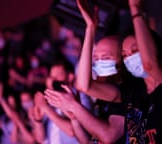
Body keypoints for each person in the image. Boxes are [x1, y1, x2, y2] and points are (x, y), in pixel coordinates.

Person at [44, 0, 126, 143]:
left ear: (122, 59)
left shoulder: (122, 90)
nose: (99, 61)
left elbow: (108, 136)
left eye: (105, 57)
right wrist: (74, 118)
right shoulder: (103, 98)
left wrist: (90, 29)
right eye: (96, 57)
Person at [120, 0, 162, 143]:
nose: (129, 58)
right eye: (124, 55)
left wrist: (135, 9)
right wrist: (90, 28)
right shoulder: (134, 94)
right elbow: (85, 86)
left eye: (135, 50)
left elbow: (150, 65)